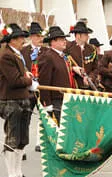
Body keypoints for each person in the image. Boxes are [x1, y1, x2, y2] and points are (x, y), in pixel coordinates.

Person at [0, 23, 35, 177]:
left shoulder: (16, 54)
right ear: (11, 40)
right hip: (11, 101)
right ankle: (11, 173)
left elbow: (23, 76)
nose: (23, 39)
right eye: (19, 37)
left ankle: (18, 171)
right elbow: (14, 80)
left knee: (22, 139)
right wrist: (29, 81)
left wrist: (29, 78)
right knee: (13, 139)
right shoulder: (6, 55)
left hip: (22, 99)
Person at [38, 26, 78, 125]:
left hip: (65, 98)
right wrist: (47, 103)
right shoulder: (48, 57)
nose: (64, 41)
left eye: (64, 39)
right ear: (53, 42)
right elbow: (44, 81)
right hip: (56, 100)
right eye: (61, 39)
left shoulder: (62, 56)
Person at [21, 22, 48, 153]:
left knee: (43, 116)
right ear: (31, 37)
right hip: (27, 89)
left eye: (41, 36)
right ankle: (23, 147)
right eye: (37, 36)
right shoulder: (23, 51)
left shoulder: (46, 51)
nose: (40, 39)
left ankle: (40, 142)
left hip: (41, 88)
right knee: (25, 117)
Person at [65, 21, 98, 90]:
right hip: (74, 86)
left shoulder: (92, 49)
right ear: (78, 35)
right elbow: (63, 65)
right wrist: (73, 68)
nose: (88, 36)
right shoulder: (67, 48)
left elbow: (96, 68)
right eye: (85, 34)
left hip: (90, 86)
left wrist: (90, 77)